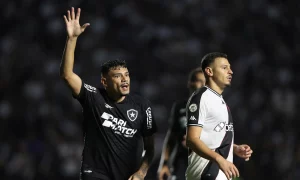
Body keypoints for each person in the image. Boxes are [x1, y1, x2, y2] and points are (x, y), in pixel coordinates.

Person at [60, 7, 156, 180]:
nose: (125, 80)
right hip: (95, 174)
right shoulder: (93, 96)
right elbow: (67, 75)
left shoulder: (143, 105)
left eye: (126, 75)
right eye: (118, 76)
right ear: (105, 82)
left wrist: (141, 173)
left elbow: (150, 149)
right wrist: (72, 38)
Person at [185, 52, 253, 180]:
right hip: (205, 174)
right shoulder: (201, 98)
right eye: (224, 67)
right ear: (209, 71)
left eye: (230, 67)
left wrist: (235, 148)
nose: (230, 71)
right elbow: (192, 139)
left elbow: (211, 139)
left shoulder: (219, 100)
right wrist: (219, 159)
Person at [157, 68, 205, 180]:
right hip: (180, 163)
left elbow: (221, 138)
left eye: (206, 82)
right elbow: (171, 137)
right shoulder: (179, 108)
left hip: (204, 164)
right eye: (200, 81)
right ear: (190, 83)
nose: (203, 85)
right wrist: (164, 163)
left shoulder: (214, 109)